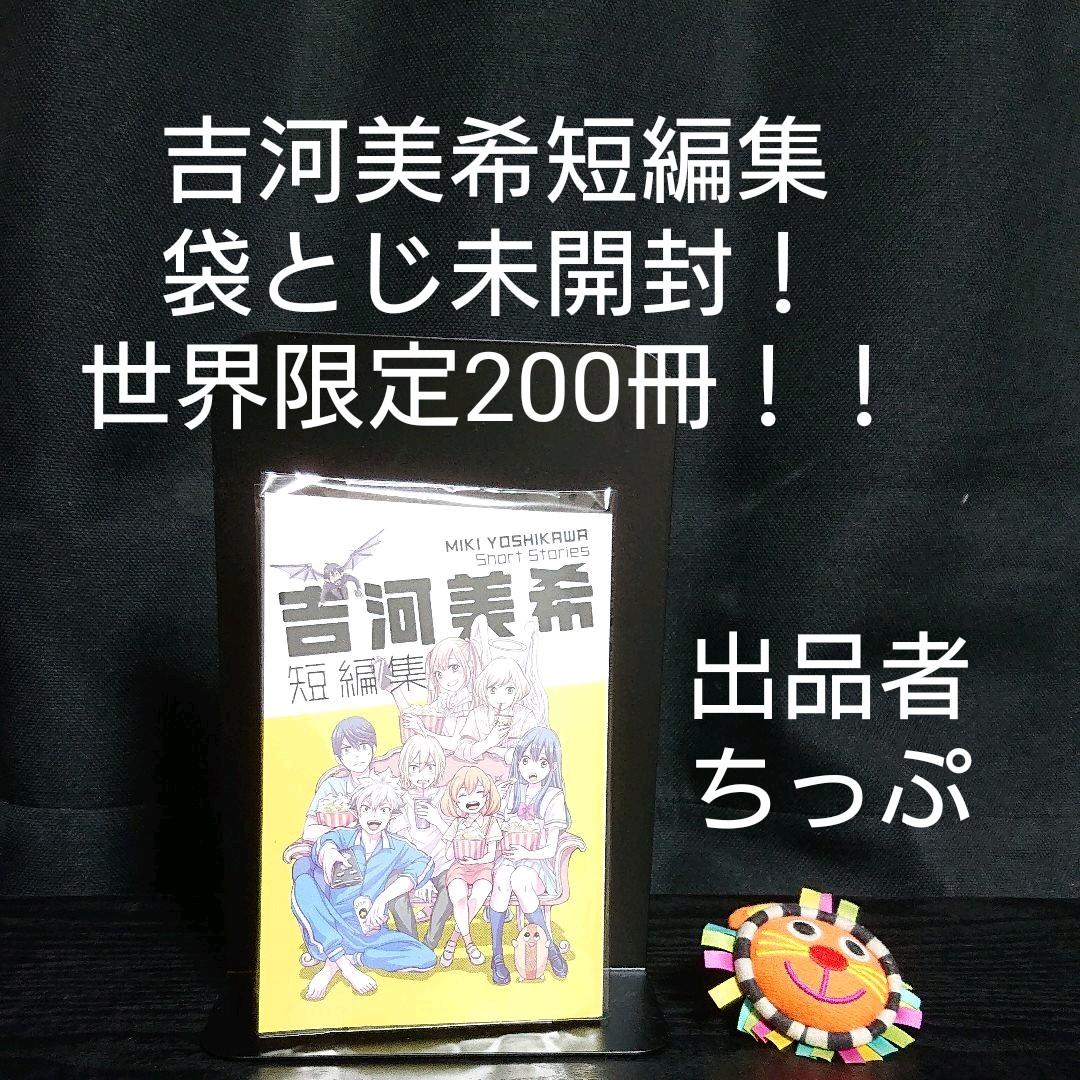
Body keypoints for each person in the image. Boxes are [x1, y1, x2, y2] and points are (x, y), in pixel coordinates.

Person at [291, 776, 437, 1000]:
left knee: (425, 958)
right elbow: (324, 843)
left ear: (391, 815)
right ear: (357, 813)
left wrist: (383, 899)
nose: (374, 816)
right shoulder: (344, 836)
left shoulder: (397, 846)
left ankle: (347, 960)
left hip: (369, 932)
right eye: (367, 809)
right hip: (330, 926)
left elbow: (425, 864)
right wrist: (329, 853)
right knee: (302, 882)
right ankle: (345, 968)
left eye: (383, 810)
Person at [487, 727, 570, 985]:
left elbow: (551, 848)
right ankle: (497, 956)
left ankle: (550, 948)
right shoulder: (512, 790)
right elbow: (498, 826)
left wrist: (527, 852)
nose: (532, 769)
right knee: (503, 877)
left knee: (520, 878)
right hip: (509, 857)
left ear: (552, 766)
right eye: (526, 761)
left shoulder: (554, 796)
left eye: (541, 762)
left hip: (538, 864)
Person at [436, 766, 503, 967]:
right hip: (459, 868)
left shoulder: (491, 823)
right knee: (459, 899)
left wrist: (476, 861)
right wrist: (455, 848)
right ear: (456, 800)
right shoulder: (456, 824)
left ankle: (452, 941)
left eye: (478, 792)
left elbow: (491, 854)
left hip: (483, 869)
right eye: (463, 795)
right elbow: (448, 853)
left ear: (487, 796)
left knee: (476, 899)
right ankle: (469, 943)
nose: (471, 799)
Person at [458, 657, 544, 769]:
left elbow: (535, 751)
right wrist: (487, 742)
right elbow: (461, 750)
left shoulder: (525, 716)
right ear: (484, 690)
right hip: (481, 771)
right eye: (493, 690)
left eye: (509, 690)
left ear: (518, 690)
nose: (500, 697)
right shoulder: (476, 715)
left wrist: (496, 750)